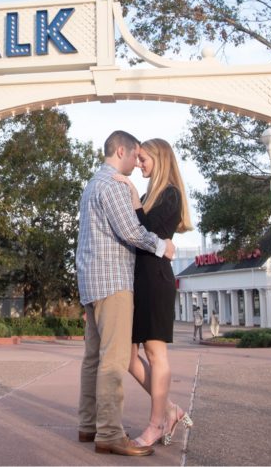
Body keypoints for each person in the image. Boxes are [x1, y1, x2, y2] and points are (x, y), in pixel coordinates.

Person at [76, 131, 169, 457]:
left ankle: (89, 425)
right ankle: (110, 433)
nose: (136, 161)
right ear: (120, 150)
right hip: (113, 283)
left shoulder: (90, 186)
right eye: (134, 155)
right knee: (113, 360)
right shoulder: (113, 184)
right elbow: (131, 231)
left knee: (92, 358)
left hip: (89, 283)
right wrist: (163, 246)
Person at [113, 138, 194, 447]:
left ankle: (156, 424)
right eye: (138, 159)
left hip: (156, 281)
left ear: (159, 159)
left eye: (144, 159)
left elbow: (145, 230)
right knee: (128, 355)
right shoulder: (150, 194)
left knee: (155, 353)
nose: (139, 164)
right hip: (138, 281)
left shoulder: (170, 195)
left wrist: (132, 194)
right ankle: (170, 409)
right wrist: (138, 196)